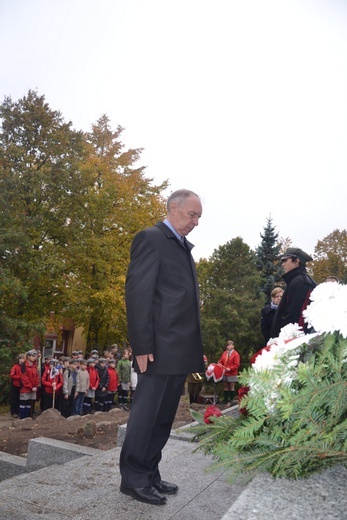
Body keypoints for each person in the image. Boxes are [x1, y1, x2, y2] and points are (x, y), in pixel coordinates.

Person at [119, 188, 204, 506]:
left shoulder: (181, 246)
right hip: (156, 347)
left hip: (177, 348)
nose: (195, 222)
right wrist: (141, 344)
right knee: (147, 414)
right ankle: (133, 478)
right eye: (191, 214)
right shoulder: (151, 238)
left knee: (164, 416)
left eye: (198, 217)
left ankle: (149, 472)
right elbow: (138, 294)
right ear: (172, 208)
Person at [270, 247, 317, 339]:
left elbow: (295, 315)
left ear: (297, 261)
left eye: (285, 261)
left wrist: (285, 338)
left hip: (293, 339)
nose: (283, 264)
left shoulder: (299, 281)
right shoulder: (296, 280)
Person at [19, 349, 40, 419]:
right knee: (23, 403)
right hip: (25, 388)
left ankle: (27, 418)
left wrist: (36, 385)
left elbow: (37, 376)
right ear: (28, 356)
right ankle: (22, 418)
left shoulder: (34, 366)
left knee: (29, 403)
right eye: (33, 356)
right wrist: (31, 387)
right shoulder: (23, 365)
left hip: (33, 388)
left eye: (35, 356)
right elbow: (24, 378)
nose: (35, 357)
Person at [10, 353, 25, 418]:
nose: (23, 360)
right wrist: (20, 377)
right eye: (22, 358)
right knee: (14, 399)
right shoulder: (15, 366)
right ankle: (13, 412)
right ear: (19, 359)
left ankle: (18, 411)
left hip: (22, 385)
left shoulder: (24, 366)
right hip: (15, 385)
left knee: (20, 399)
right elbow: (12, 375)